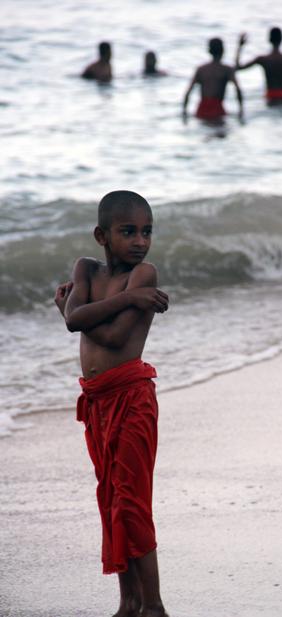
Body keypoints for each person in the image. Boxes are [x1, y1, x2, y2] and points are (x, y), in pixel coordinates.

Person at [54, 190, 170, 617]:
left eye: (146, 231)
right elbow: (73, 321)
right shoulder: (87, 269)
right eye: (128, 231)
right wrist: (120, 302)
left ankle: (154, 605)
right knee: (109, 499)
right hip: (97, 402)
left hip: (132, 398)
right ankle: (128, 602)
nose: (140, 241)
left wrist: (79, 309)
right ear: (102, 235)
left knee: (131, 501)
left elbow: (112, 337)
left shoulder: (144, 276)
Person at [183, 37, 243, 121]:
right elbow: (238, 89)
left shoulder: (201, 69)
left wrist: (184, 112)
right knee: (220, 132)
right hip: (217, 108)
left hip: (202, 108)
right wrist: (241, 110)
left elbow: (188, 92)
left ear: (209, 51)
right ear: (223, 50)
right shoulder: (226, 69)